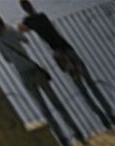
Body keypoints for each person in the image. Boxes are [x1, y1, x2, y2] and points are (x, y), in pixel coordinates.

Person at [0, 8, 84, 146]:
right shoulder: (10, 30)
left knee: (44, 110)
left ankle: (64, 141)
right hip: (34, 69)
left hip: (24, 75)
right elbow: (25, 40)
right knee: (56, 103)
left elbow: (6, 59)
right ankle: (78, 134)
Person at [19, 0, 114, 130]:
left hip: (60, 55)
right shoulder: (42, 15)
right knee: (91, 83)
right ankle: (110, 113)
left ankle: (103, 119)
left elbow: (21, 30)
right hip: (69, 49)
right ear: (31, 6)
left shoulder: (29, 21)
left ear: (24, 9)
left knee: (82, 89)